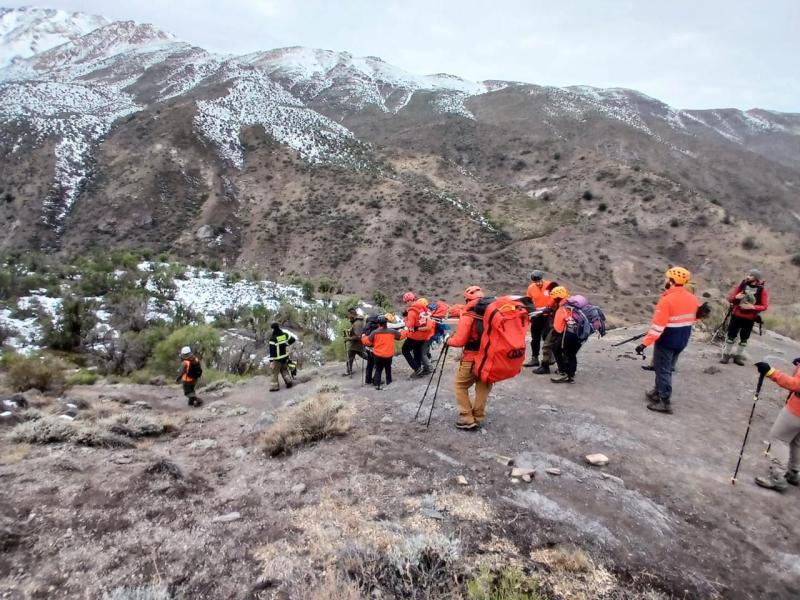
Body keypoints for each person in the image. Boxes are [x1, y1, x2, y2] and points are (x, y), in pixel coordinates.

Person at [635, 267, 700, 414]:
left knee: (663, 370)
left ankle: (664, 402)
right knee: (665, 368)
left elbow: (658, 327)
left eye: (667, 278)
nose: (665, 280)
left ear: (672, 281)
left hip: (667, 341)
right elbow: (694, 318)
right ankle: (656, 392)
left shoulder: (667, 300)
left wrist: (644, 344)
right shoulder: (693, 298)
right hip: (682, 340)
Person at [446, 285, 491, 430]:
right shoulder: (492, 314)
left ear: (468, 300)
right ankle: (477, 416)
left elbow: (459, 341)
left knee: (460, 385)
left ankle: (466, 417)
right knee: (482, 387)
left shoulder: (468, 316)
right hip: (489, 358)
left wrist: (448, 340)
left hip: (471, 358)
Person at [753, 359, 800, 491]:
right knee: (796, 441)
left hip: (797, 410)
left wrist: (770, 372)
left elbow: (795, 384)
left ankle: (777, 476)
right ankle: (793, 472)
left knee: (780, 439)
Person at [721, 269, 769, 366]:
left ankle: (738, 357)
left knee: (744, 338)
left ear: (756, 278)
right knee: (731, 336)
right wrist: (736, 298)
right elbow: (730, 299)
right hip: (736, 315)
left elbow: (764, 306)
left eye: (751, 275)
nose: (748, 276)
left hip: (749, 318)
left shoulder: (762, 290)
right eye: (748, 275)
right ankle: (726, 355)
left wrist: (753, 307)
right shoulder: (742, 286)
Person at [362, 315, 407, 390]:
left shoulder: (375, 332)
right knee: (388, 368)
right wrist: (406, 330)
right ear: (386, 323)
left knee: (378, 369)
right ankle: (389, 383)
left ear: (378, 324)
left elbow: (368, 342)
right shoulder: (392, 331)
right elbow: (401, 336)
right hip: (388, 355)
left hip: (378, 355)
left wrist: (363, 336)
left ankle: (377, 385)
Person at [532, 281, 565, 376]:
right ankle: (563, 368)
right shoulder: (563, 300)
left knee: (547, 345)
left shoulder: (559, 302)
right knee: (559, 348)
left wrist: (549, 310)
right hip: (563, 328)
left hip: (558, 327)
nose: (551, 295)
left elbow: (556, 313)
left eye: (551, 292)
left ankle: (545, 366)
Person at [524, 270, 555, 367]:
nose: (538, 283)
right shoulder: (531, 288)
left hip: (548, 315)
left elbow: (556, 299)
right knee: (535, 337)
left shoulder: (550, 285)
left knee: (546, 336)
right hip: (537, 315)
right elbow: (528, 301)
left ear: (542, 278)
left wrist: (549, 308)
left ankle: (549, 357)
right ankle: (534, 358)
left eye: (539, 281)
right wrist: (530, 312)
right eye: (536, 282)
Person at [549, 288, 579, 383]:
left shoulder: (563, 308)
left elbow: (558, 327)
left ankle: (565, 373)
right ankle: (571, 374)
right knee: (571, 354)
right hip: (576, 333)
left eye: (555, 298)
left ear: (558, 297)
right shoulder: (572, 304)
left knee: (558, 350)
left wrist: (557, 333)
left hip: (567, 333)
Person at [402, 297, 435, 377]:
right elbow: (427, 325)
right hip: (423, 336)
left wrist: (405, 318)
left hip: (414, 336)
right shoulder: (425, 310)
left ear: (410, 301)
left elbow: (410, 326)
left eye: (406, 302)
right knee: (417, 352)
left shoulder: (412, 311)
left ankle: (416, 368)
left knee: (405, 350)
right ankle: (418, 370)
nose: (406, 304)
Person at [268, 322, 296, 392]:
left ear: (273, 329)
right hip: (285, 357)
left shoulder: (273, 338)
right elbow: (293, 339)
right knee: (284, 370)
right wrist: (286, 344)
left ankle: (274, 387)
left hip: (277, 359)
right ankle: (289, 382)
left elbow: (272, 351)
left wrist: (271, 362)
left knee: (274, 373)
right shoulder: (284, 335)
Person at [342, 308, 365, 377]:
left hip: (357, 344)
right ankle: (349, 371)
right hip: (354, 344)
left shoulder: (357, 323)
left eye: (349, 315)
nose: (348, 317)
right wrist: (350, 330)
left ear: (352, 314)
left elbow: (358, 336)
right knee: (350, 357)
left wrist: (348, 338)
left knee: (365, 355)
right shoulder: (356, 321)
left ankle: (375, 363)